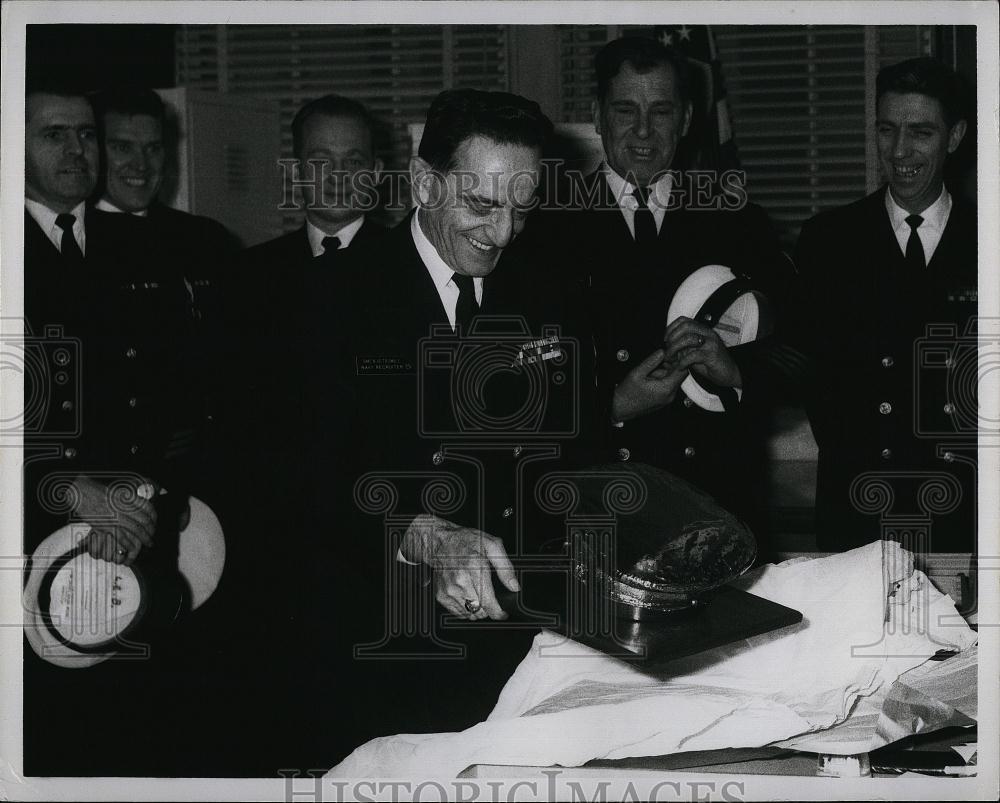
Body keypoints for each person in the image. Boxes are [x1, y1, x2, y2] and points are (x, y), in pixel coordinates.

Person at [300, 88, 597, 768]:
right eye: (483, 206)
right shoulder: (327, 298)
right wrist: (421, 534)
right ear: (425, 181)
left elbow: (575, 457)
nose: (503, 235)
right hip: (372, 660)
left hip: (514, 656)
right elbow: (297, 479)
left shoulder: (549, 293)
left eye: (522, 209)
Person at [21, 82, 226, 776]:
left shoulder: (132, 247)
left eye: (85, 134)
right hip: (25, 542)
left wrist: (134, 494)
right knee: (46, 745)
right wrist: (70, 490)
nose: (78, 150)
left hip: (132, 532)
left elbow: (158, 400)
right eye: (55, 134)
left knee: (143, 735)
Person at [525, 37, 790, 541]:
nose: (643, 131)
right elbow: (520, 387)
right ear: (598, 115)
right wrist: (610, 406)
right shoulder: (542, 231)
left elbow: (800, 357)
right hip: (599, 509)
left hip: (717, 508)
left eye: (661, 111)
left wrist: (735, 369)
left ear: (687, 119)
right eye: (625, 109)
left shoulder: (739, 224)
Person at [793, 57, 976, 553]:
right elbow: (808, 370)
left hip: (965, 514)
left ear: (955, 137)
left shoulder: (990, 239)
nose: (900, 151)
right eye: (887, 129)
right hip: (859, 514)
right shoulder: (828, 241)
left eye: (921, 132)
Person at [91, 86, 238, 330]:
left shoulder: (206, 238)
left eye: (153, 149)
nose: (141, 165)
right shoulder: (71, 240)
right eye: (123, 148)